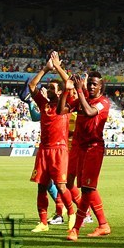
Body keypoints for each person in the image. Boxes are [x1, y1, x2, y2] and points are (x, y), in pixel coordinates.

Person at [58, 64, 112, 241]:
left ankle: (76, 229)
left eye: (95, 84)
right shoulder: (84, 99)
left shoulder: (103, 102)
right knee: (79, 186)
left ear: (101, 86)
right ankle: (103, 224)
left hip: (94, 148)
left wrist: (80, 90)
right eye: (90, 83)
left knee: (88, 189)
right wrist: (66, 91)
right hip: (79, 148)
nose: (91, 86)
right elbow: (60, 110)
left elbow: (89, 113)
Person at [27, 55, 75, 232]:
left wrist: (58, 67)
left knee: (61, 186)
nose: (48, 90)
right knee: (41, 187)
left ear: (60, 92)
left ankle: (71, 214)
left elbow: (69, 83)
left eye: (52, 88)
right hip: (43, 150)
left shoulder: (66, 105)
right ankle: (43, 223)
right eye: (48, 87)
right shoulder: (44, 104)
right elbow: (32, 86)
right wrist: (46, 69)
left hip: (59, 150)